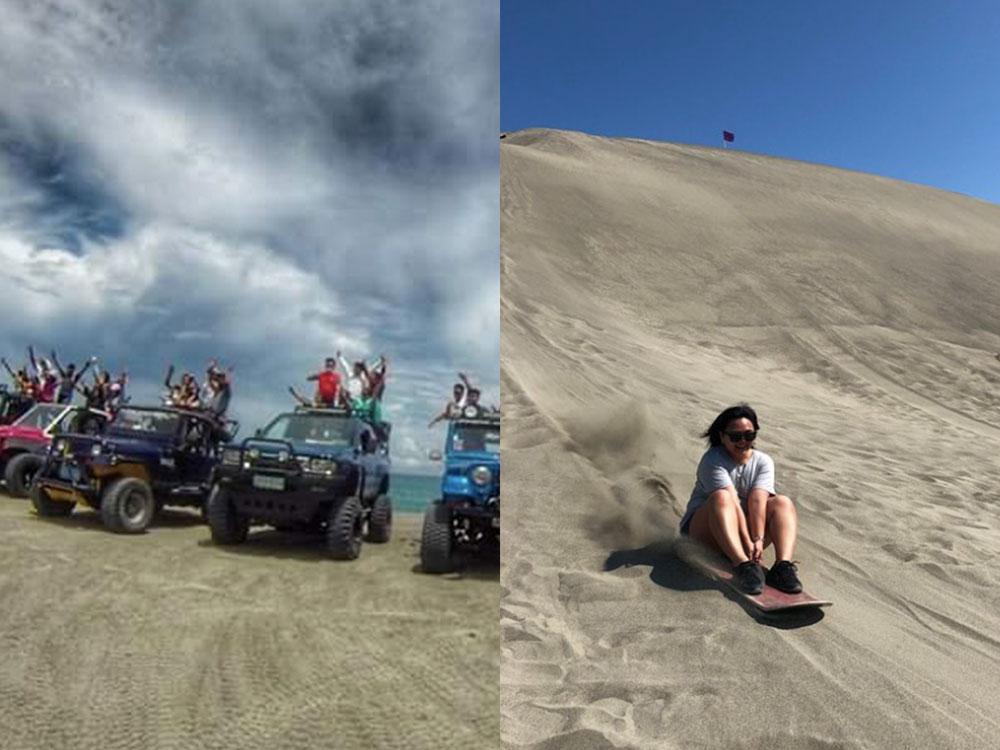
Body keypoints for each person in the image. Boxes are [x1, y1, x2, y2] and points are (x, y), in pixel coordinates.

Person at [679, 404, 803, 595]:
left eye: (749, 435)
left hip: (741, 529)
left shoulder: (763, 461)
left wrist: (758, 540)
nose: (743, 441)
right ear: (722, 436)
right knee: (722, 497)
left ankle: (782, 566)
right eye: (736, 436)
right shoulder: (713, 459)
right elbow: (733, 504)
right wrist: (748, 543)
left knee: (782, 502)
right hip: (704, 532)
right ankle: (742, 564)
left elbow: (757, 501)